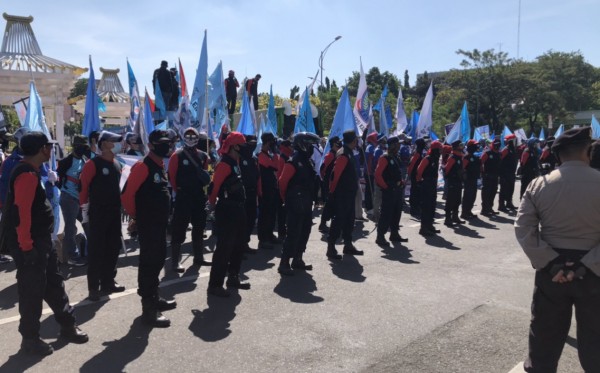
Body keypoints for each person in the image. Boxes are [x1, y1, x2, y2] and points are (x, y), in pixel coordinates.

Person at [514, 127, 600, 372]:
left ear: (558, 155)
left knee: (544, 341)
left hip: (551, 271)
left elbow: (523, 229)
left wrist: (551, 263)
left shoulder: (538, 185)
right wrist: (586, 265)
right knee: (596, 342)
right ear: (588, 151)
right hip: (594, 272)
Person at [2, 132, 88, 355]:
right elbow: (22, 215)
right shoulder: (26, 175)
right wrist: (27, 247)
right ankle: (30, 339)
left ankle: (68, 325)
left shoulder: (32, 171)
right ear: (42, 149)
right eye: (48, 146)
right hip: (30, 245)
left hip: (40, 242)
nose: (51, 150)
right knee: (31, 292)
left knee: (54, 284)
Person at [121, 130, 176, 327]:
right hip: (148, 223)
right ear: (151, 145)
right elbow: (127, 195)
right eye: (161, 143)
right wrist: (137, 217)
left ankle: (155, 297)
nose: (166, 146)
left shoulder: (160, 165)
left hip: (159, 223)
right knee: (149, 263)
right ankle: (148, 308)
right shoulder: (143, 166)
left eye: (168, 143)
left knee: (159, 259)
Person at [79, 131, 125, 301]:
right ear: (104, 143)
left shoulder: (117, 164)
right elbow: (83, 188)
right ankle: (93, 287)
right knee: (97, 250)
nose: (119, 144)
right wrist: (84, 211)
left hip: (114, 212)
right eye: (115, 141)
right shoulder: (93, 164)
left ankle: (108, 281)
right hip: (98, 212)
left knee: (113, 248)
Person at [207, 132, 250, 297]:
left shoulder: (235, 162)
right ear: (234, 146)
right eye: (242, 145)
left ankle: (233, 276)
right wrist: (211, 204)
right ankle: (215, 285)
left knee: (238, 245)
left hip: (238, 208)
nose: (245, 148)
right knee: (224, 248)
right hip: (227, 209)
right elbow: (215, 187)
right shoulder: (224, 164)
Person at [167, 128, 212, 272]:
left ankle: (198, 257)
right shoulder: (177, 155)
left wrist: (205, 196)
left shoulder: (204, 156)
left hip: (198, 197)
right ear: (183, 137)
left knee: (199, 227)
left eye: (194, 136)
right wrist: (179, 191)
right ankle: (175, 262)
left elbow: (207, 177)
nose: (191, 138)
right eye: (188, 136)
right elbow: (172, 177)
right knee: (179, 229)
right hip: (183, 197)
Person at [277, 132, 320, 275]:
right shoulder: (293, 161)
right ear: (302, 145)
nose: (311, 148)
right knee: (293, 232)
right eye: (309, 145)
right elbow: (282, 182)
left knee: (305, 230)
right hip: (295, 202)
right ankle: (284, 263)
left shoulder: (307, 161)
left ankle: (298, 258)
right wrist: (286, 199)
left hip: (307, 201)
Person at [326, 130, 363, 260]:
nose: (357, 142)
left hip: (349, 193)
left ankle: (348, 245)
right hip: (342, 194)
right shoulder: (343, 154)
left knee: (349, 220)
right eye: (356, 139)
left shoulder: (349, 152)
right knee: (339, 221)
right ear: (353, 140)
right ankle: (331, 248)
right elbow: (335, 176)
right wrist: (332, 193)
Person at [57, 135, 90, 266]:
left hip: (80, 198)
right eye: (81, 146)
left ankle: (89, 250)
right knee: (70, 228)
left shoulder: (84, 160)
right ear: (75, 147)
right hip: (69, 198)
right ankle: (71, 256)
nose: (83, 149)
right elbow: (59, 178)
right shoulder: (66, 161)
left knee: (87, 224)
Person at [374, 136, 408, 246]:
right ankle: (380, 236)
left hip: (397, 190)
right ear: (393, 145)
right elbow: (378, 175)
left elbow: (397, 173)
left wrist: (401, 181)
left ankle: (394, 234)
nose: (399, 146)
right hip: (389, 190)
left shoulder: (395, 157)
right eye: (398, 144)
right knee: (386, 214)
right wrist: (386, 187)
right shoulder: (385, 157)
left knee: (396, 213)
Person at [257, 132, 281, 249]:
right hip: (264, 190)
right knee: (265, 215)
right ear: (267, 142)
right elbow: (275, 166)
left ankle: (270, 234)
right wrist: (276, 153)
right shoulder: (261, 156)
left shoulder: (268, 155)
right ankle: (263, 238)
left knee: (271, 214)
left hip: (271, 188)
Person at [416, 140, 443, 236]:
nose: (440, 151)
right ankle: (424, 228)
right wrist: (420, 182)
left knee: (432, 205)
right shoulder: (427, 159)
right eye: (439, 149)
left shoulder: (435, 159)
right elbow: (419, 171)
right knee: (426, 206)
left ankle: (430, 225)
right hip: (426, 184)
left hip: (433, 184)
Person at [239, 135, 260, 253]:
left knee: (251, 218)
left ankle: (245, 243)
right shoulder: (239, 158)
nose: (252, 146)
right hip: (242, 194)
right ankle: (239, 246)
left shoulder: (254, 159)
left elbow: (257, 177)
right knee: (242, 220)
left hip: (252, 193)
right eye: (250, 143)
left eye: (254, 143)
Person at [318, 136, 341, 233]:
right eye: (337, 143)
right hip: (329, 182)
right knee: (329, 204)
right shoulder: (330, 155)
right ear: (334, 144)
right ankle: (323, 224)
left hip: (334, 182)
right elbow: (322, 168)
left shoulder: (338, 154)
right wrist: (326, 179)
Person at [443, 140, 465, 227]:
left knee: (457, 200)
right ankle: (447, 218)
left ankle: (455, 216)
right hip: (453, 181)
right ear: (456, 147)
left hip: (458, 181)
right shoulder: (453, 157)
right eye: (460, 145)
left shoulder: (460, 156)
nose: (462, 147)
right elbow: (447, 170)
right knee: (450, 201)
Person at [480, 138, 501, 216]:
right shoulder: (487, 153)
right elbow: (480, 162)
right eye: (496, 144)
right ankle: (484, 209)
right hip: (487, 175)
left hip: (495, 175)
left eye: (498, 144)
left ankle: (490, 208)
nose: (497, 146)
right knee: (486, 192)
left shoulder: (499, 153)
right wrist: (482, 173)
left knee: (493, 191)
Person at [460, 140, 481, 220]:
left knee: (473, 196)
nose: (476, 147)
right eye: (474, 145)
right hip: (468, 180)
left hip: (474, 179)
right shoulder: (466, 157)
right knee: (467, 196)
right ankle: (464, 212)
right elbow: (463, 168)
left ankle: (469, 211)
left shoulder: (476, 157)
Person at [499, 134, 518, 211]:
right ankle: (501, 205)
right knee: (504, 189)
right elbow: (500, 160)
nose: (515, 141)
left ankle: (509, 203)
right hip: (505, 173)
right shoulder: (505, 150)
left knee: (511, 188)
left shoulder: (513, 149)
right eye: (514, 140)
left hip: (512, 172)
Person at [407, 138, 427, 217]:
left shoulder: (420, 153)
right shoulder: (417, 154)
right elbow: (411, 165)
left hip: (418, 176)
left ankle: (417, 208)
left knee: (418, 193)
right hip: (415, 176)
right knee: (415, 193)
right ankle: (414, 209)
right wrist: (409, 175)